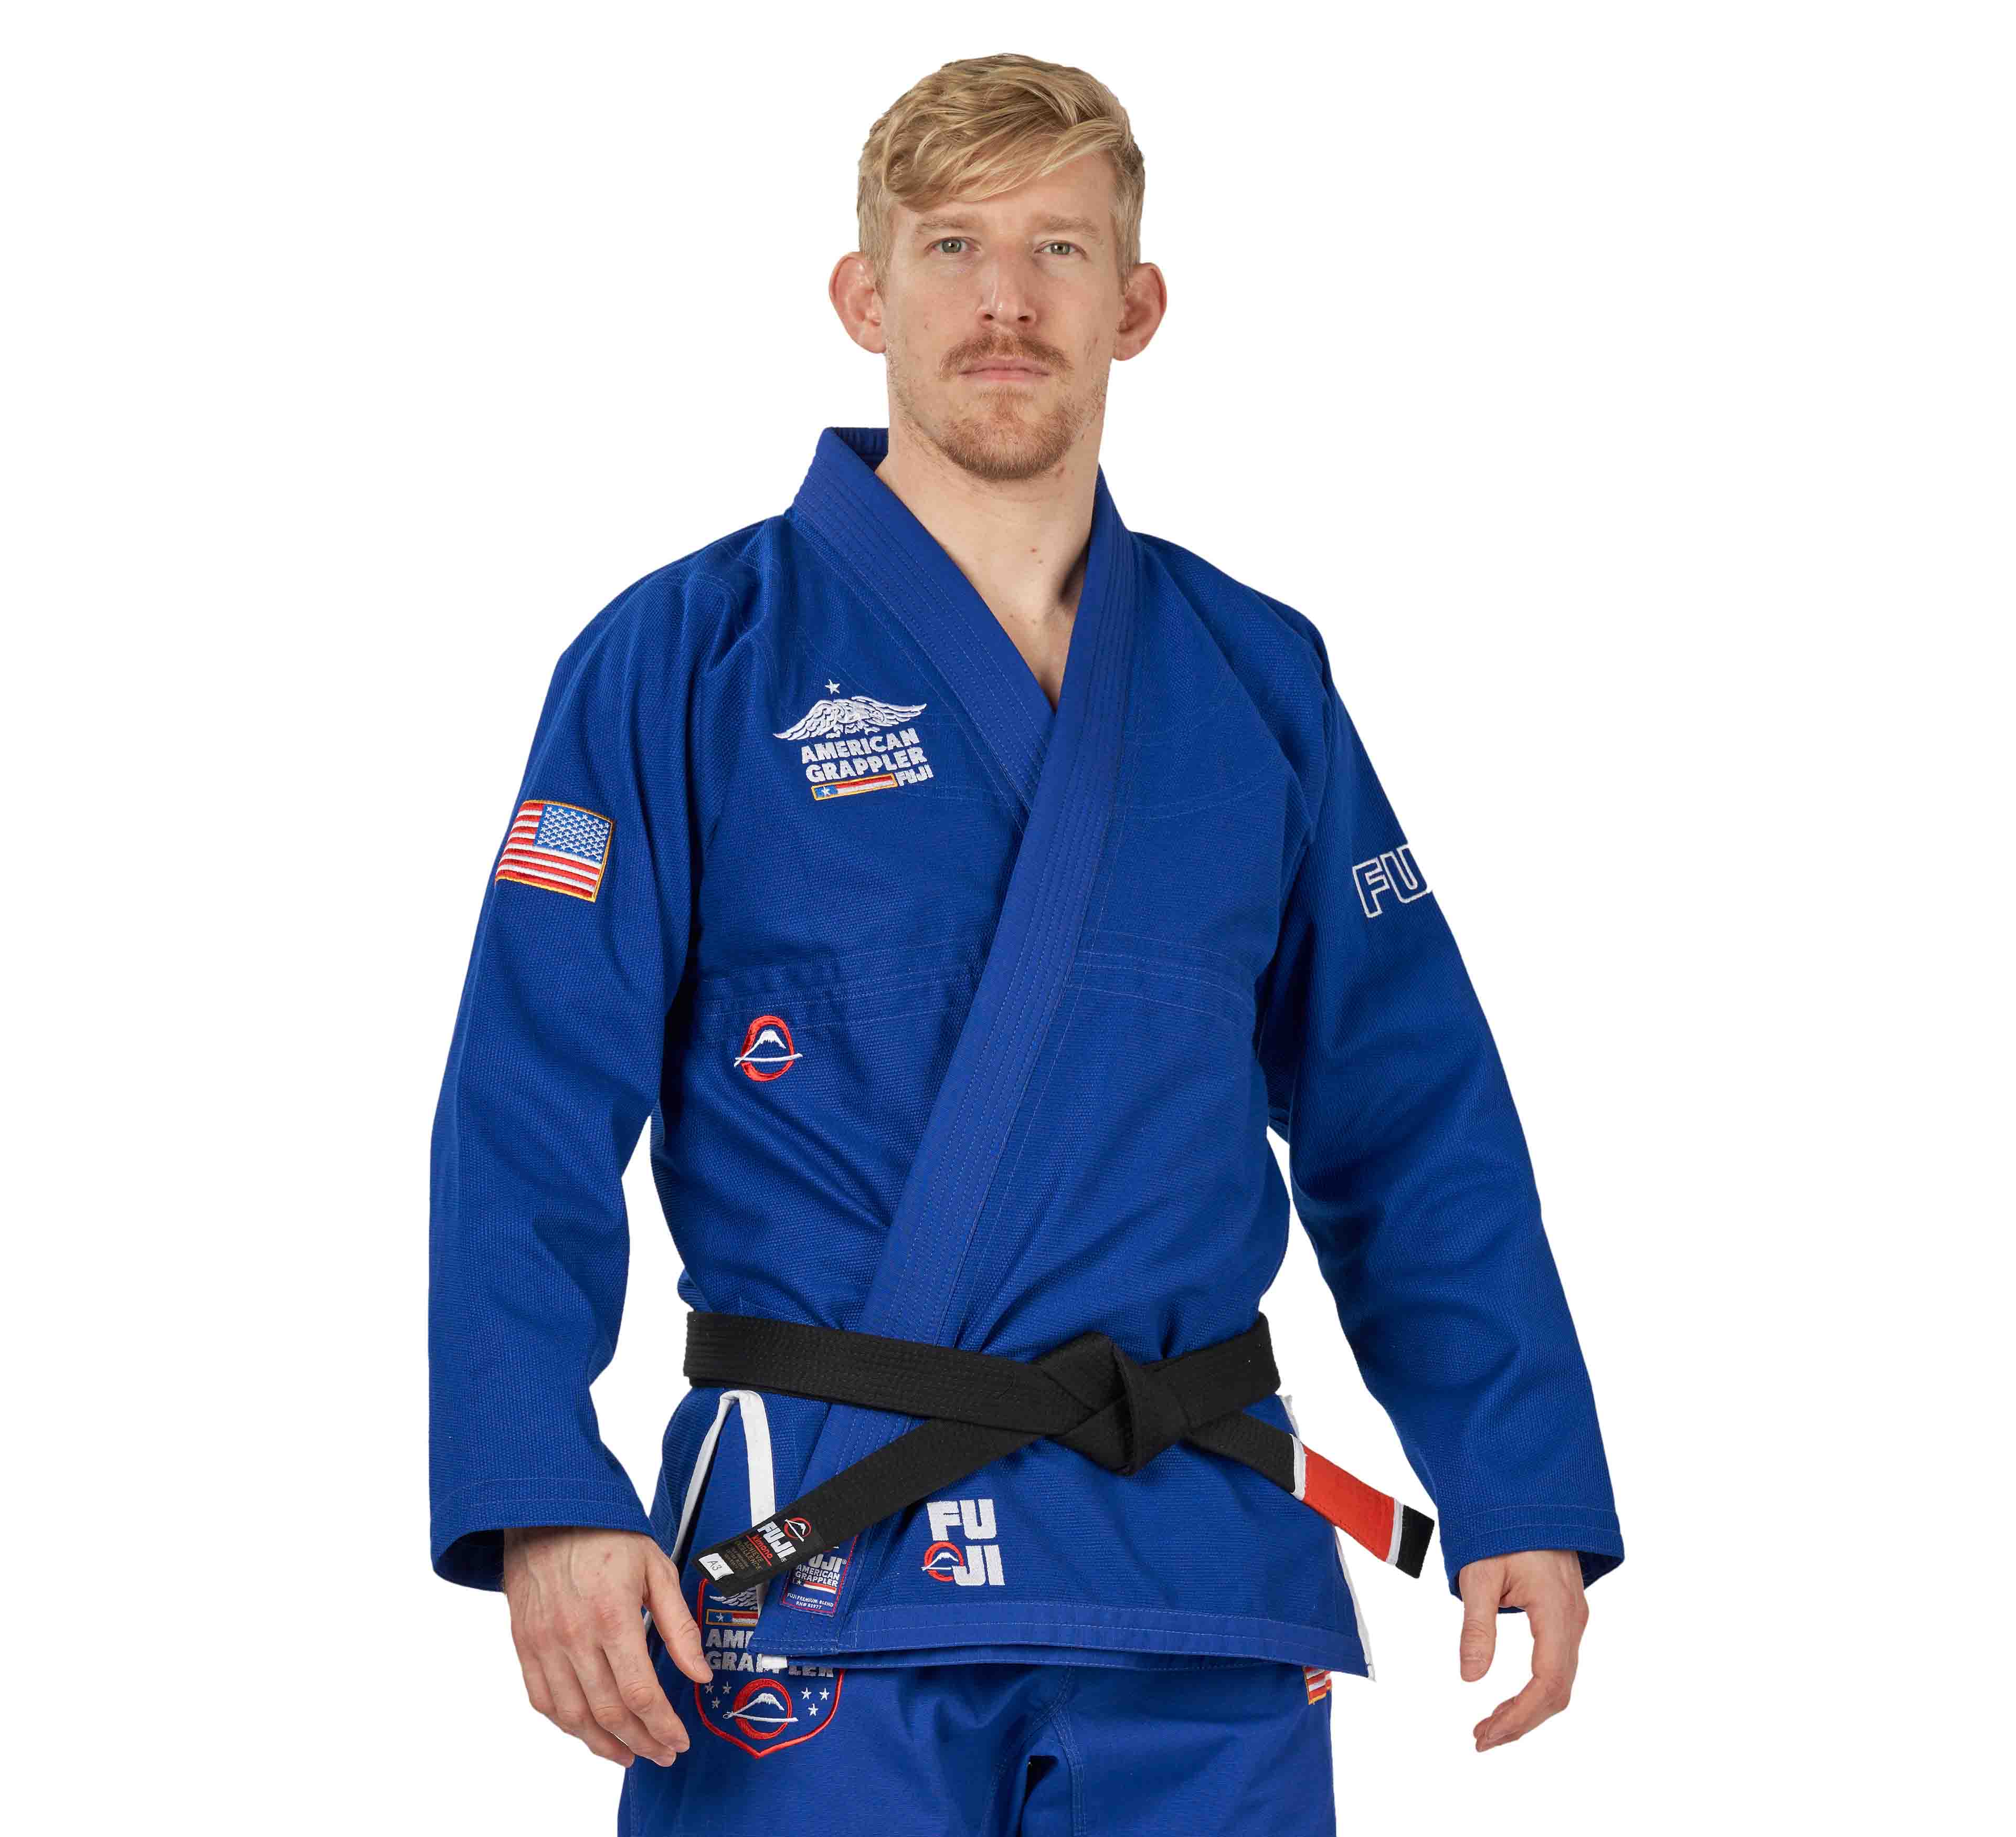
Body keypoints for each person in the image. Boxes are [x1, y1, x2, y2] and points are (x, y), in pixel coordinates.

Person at [428, 51, 1623, 1835]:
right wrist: (542, 1491)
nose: (1004, 299)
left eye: (1060, 250)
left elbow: (1408, 1106)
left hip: (1189, 1579)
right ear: (862, 295)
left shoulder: (1255, 675)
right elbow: (526, 1103)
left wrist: (1514, 1469)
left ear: (1136, 305)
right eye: (951, 245)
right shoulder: (683, 657)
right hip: (822, 1574)